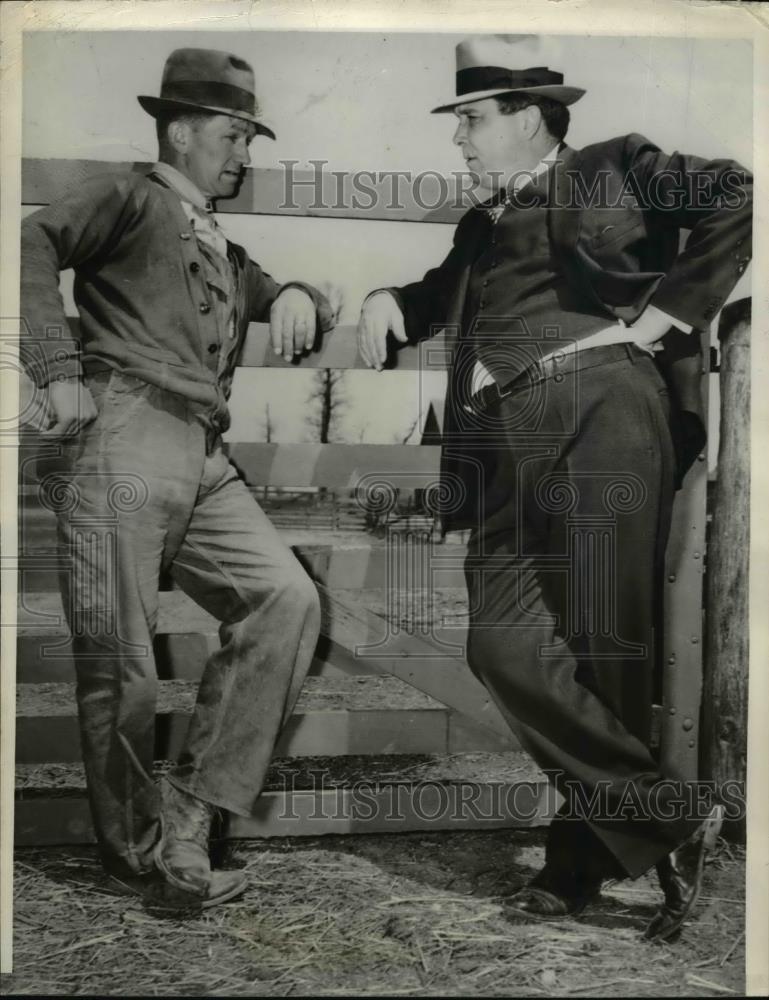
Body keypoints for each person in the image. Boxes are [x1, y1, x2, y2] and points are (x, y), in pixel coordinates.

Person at [357, 34, 751, 941]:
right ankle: (665, 815)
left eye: (470, 118)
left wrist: (667, 314)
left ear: (527, 116)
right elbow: (441, 297)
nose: (456, 136)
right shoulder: (480, 226)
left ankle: (576, 868)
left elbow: (736, 190)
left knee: (605, 646)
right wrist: (389, 300)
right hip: (502, 443)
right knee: (501, 643)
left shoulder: (615, 167)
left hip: (601, 412)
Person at [20, 48, 337, 908]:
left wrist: (302, 290)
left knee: (287, 599)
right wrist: (54, 366)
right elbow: (32, 237)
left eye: (248, 137)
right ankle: (140, 854)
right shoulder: (128, 196)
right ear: (181, 129)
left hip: (202, 454)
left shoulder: (215, 237)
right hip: (119, 436)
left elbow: (266, 293)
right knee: (119, 663)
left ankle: (190, 818)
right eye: (234, 135)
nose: (244, 154)